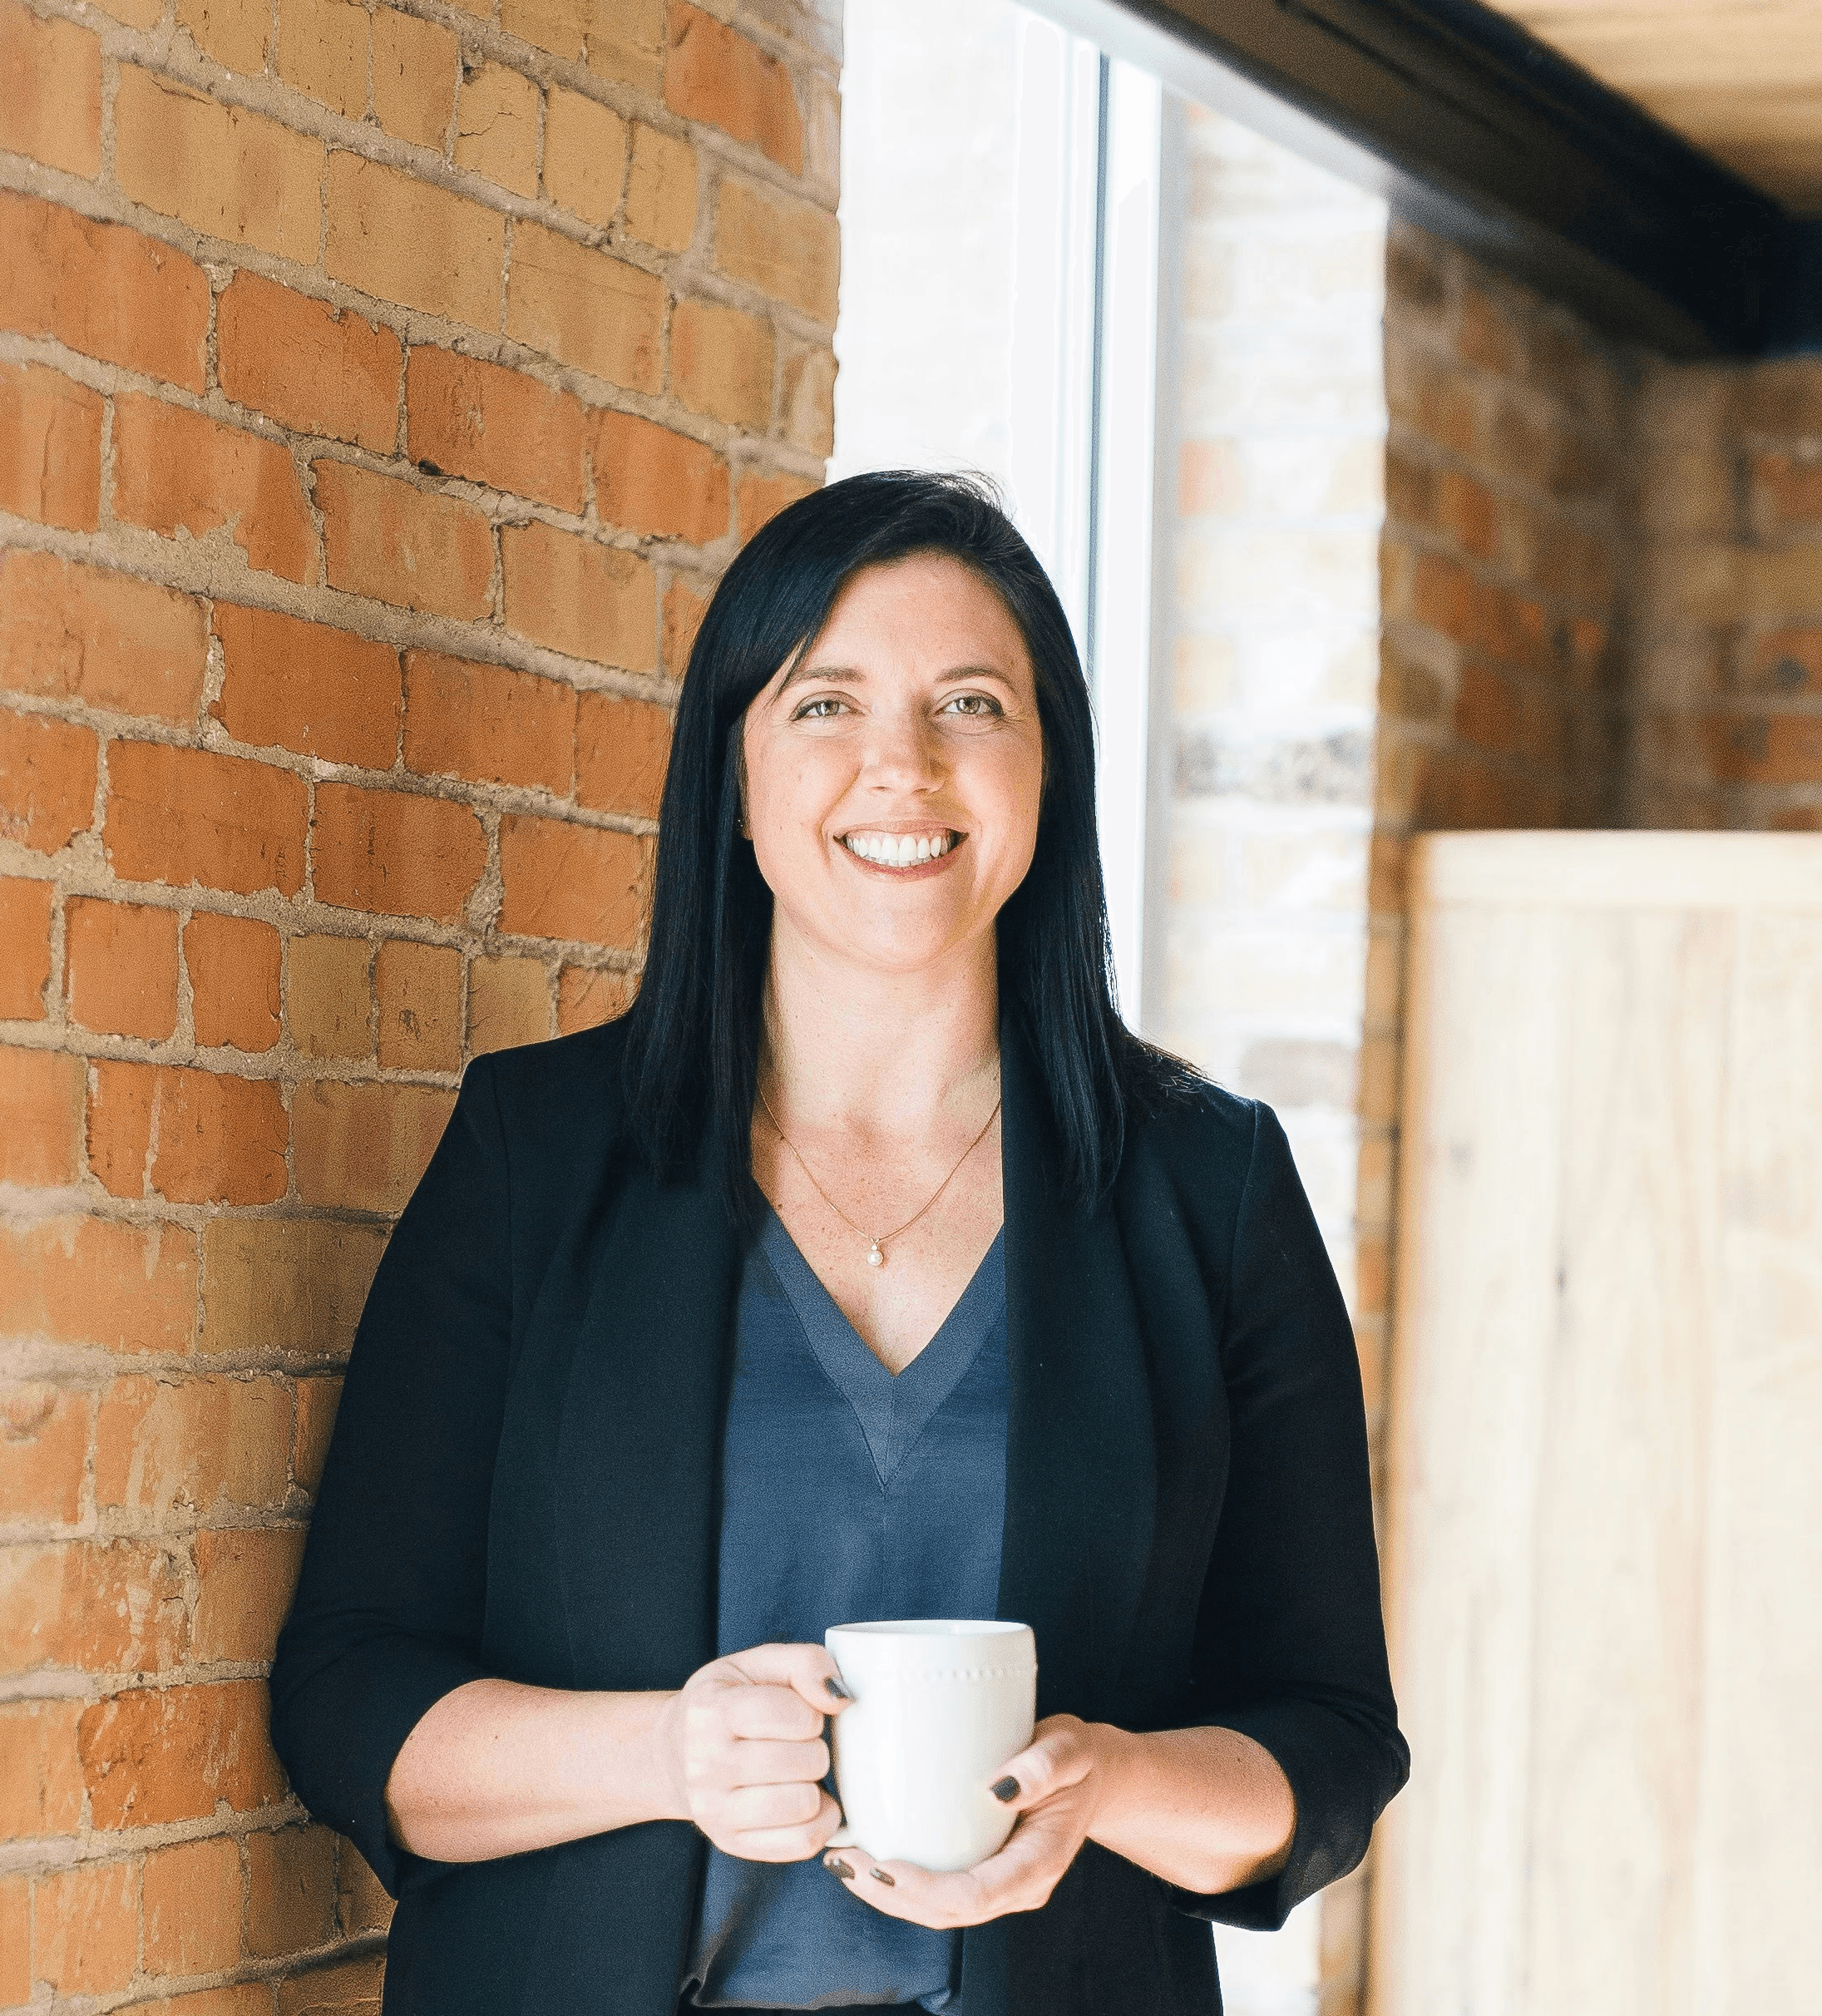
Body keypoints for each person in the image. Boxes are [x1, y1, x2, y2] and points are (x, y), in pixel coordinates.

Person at [269, 471, 1407, 2016]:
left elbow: (1328, 1745)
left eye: (970, 702)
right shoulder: (535, 1153)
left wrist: (1110, 1786)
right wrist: (670, 1756)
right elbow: (347, 1699)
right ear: (730, 773)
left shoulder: (1210, 1190)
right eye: (825, 706)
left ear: (1047, 770)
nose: (903, 765)